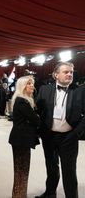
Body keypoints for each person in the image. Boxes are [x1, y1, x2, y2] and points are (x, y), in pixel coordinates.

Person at [36, 62, 85, 198]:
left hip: (69, 138)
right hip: (49, 136)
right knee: (51, 168)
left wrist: (76, 134)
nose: (70, 74)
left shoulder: (80, 91)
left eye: (71, 72)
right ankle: (50, 193)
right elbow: (38, 111)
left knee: (69, 171)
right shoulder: (44, 90)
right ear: (56, 75)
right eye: (66, 72)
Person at [8, 75, 40, 198]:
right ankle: (19, 195)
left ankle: (20, 195)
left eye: (32, 83)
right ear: (22, 86)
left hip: (20, 139)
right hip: (21, 140)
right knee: (21, 170)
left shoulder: (23, 100)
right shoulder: (22, 101)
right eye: (29, 83)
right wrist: (38, 118)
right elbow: (35, 120)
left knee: (21, 170)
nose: (32, 85)